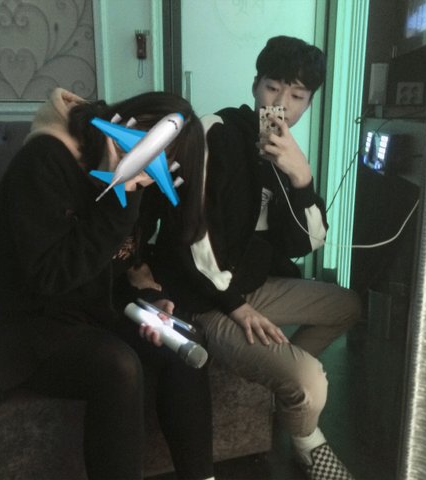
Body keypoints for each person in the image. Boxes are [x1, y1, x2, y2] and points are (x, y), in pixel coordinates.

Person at [146, 36, 361, 480]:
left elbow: (308, 243)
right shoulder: (215, 133)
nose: (281, 105)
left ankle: (276, 385)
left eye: (297, 96)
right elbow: (192, 234)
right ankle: (305, 438)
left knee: (347, 305)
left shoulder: (286, 154)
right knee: (310, 382)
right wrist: (235, 307)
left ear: (310, 102)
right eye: (272, 88)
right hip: (206, 299)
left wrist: (301, 178)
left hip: (255, 285)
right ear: (255, 85)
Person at [0, 87, 215, 480]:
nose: (144, 161)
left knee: (184, 341)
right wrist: (117, 198)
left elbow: (121, 264)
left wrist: (149, 301)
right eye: (141, 139)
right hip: (22, 322)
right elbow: (49, 277)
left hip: (86, 309)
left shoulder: (141, 183)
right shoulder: (47, 160)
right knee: (117, 366)